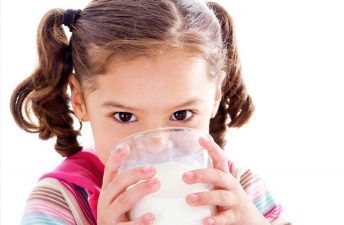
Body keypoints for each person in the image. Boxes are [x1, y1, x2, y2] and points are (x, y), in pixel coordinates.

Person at [11, 0, 291, 224]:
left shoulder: (240, 192)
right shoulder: (60, 202)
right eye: (125, 116)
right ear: (80, 101)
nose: (157, 144)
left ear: (216, 95)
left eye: (181, 114)